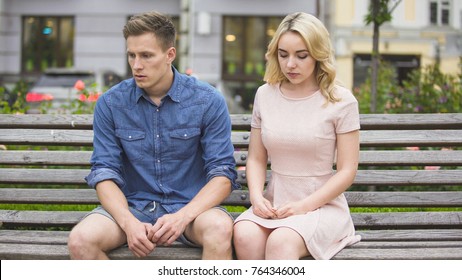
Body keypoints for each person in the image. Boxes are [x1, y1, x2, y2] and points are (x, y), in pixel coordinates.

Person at [68, 11, 239, 260]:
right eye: (132, 55)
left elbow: (223, 174)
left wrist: (183, 216)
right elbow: (104, 172)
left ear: (170, 54)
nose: (137, 65)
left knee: (219, 228)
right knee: (80, 240)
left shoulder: (207, 101)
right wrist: (128, 223)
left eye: (146, 55)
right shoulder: (111, 103)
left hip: (192, 211)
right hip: (133, 209)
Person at [233, 12, 361, 260]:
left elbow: (347, 170)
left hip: (322, 207)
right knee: (243, 234)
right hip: (276, 202)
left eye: (301, 56)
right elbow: (257, 159)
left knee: (282, 241)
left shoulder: (341, 100)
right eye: (283, 55)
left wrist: (304, 206)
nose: (290, 64)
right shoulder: (265, 95)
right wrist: (257, 197)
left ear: (318, 54)